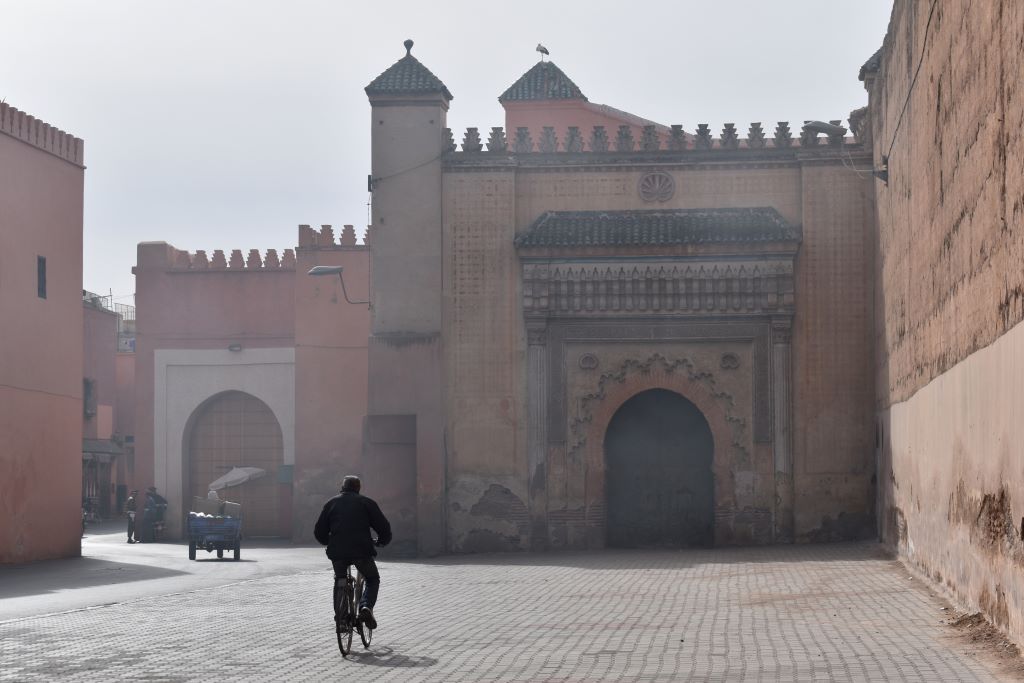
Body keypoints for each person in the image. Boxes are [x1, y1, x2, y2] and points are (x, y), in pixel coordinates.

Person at [314, 476, 392, 629]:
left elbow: (319, 531)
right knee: (372, 579)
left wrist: (328, 541)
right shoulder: (366, 503)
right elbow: (383, 527)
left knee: (340, 580)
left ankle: (341, 620)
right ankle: (365, 607)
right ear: (358, 488)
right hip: (362, 551)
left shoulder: (331, 503)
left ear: (342, 487)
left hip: (337, 553)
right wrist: (382, 541)